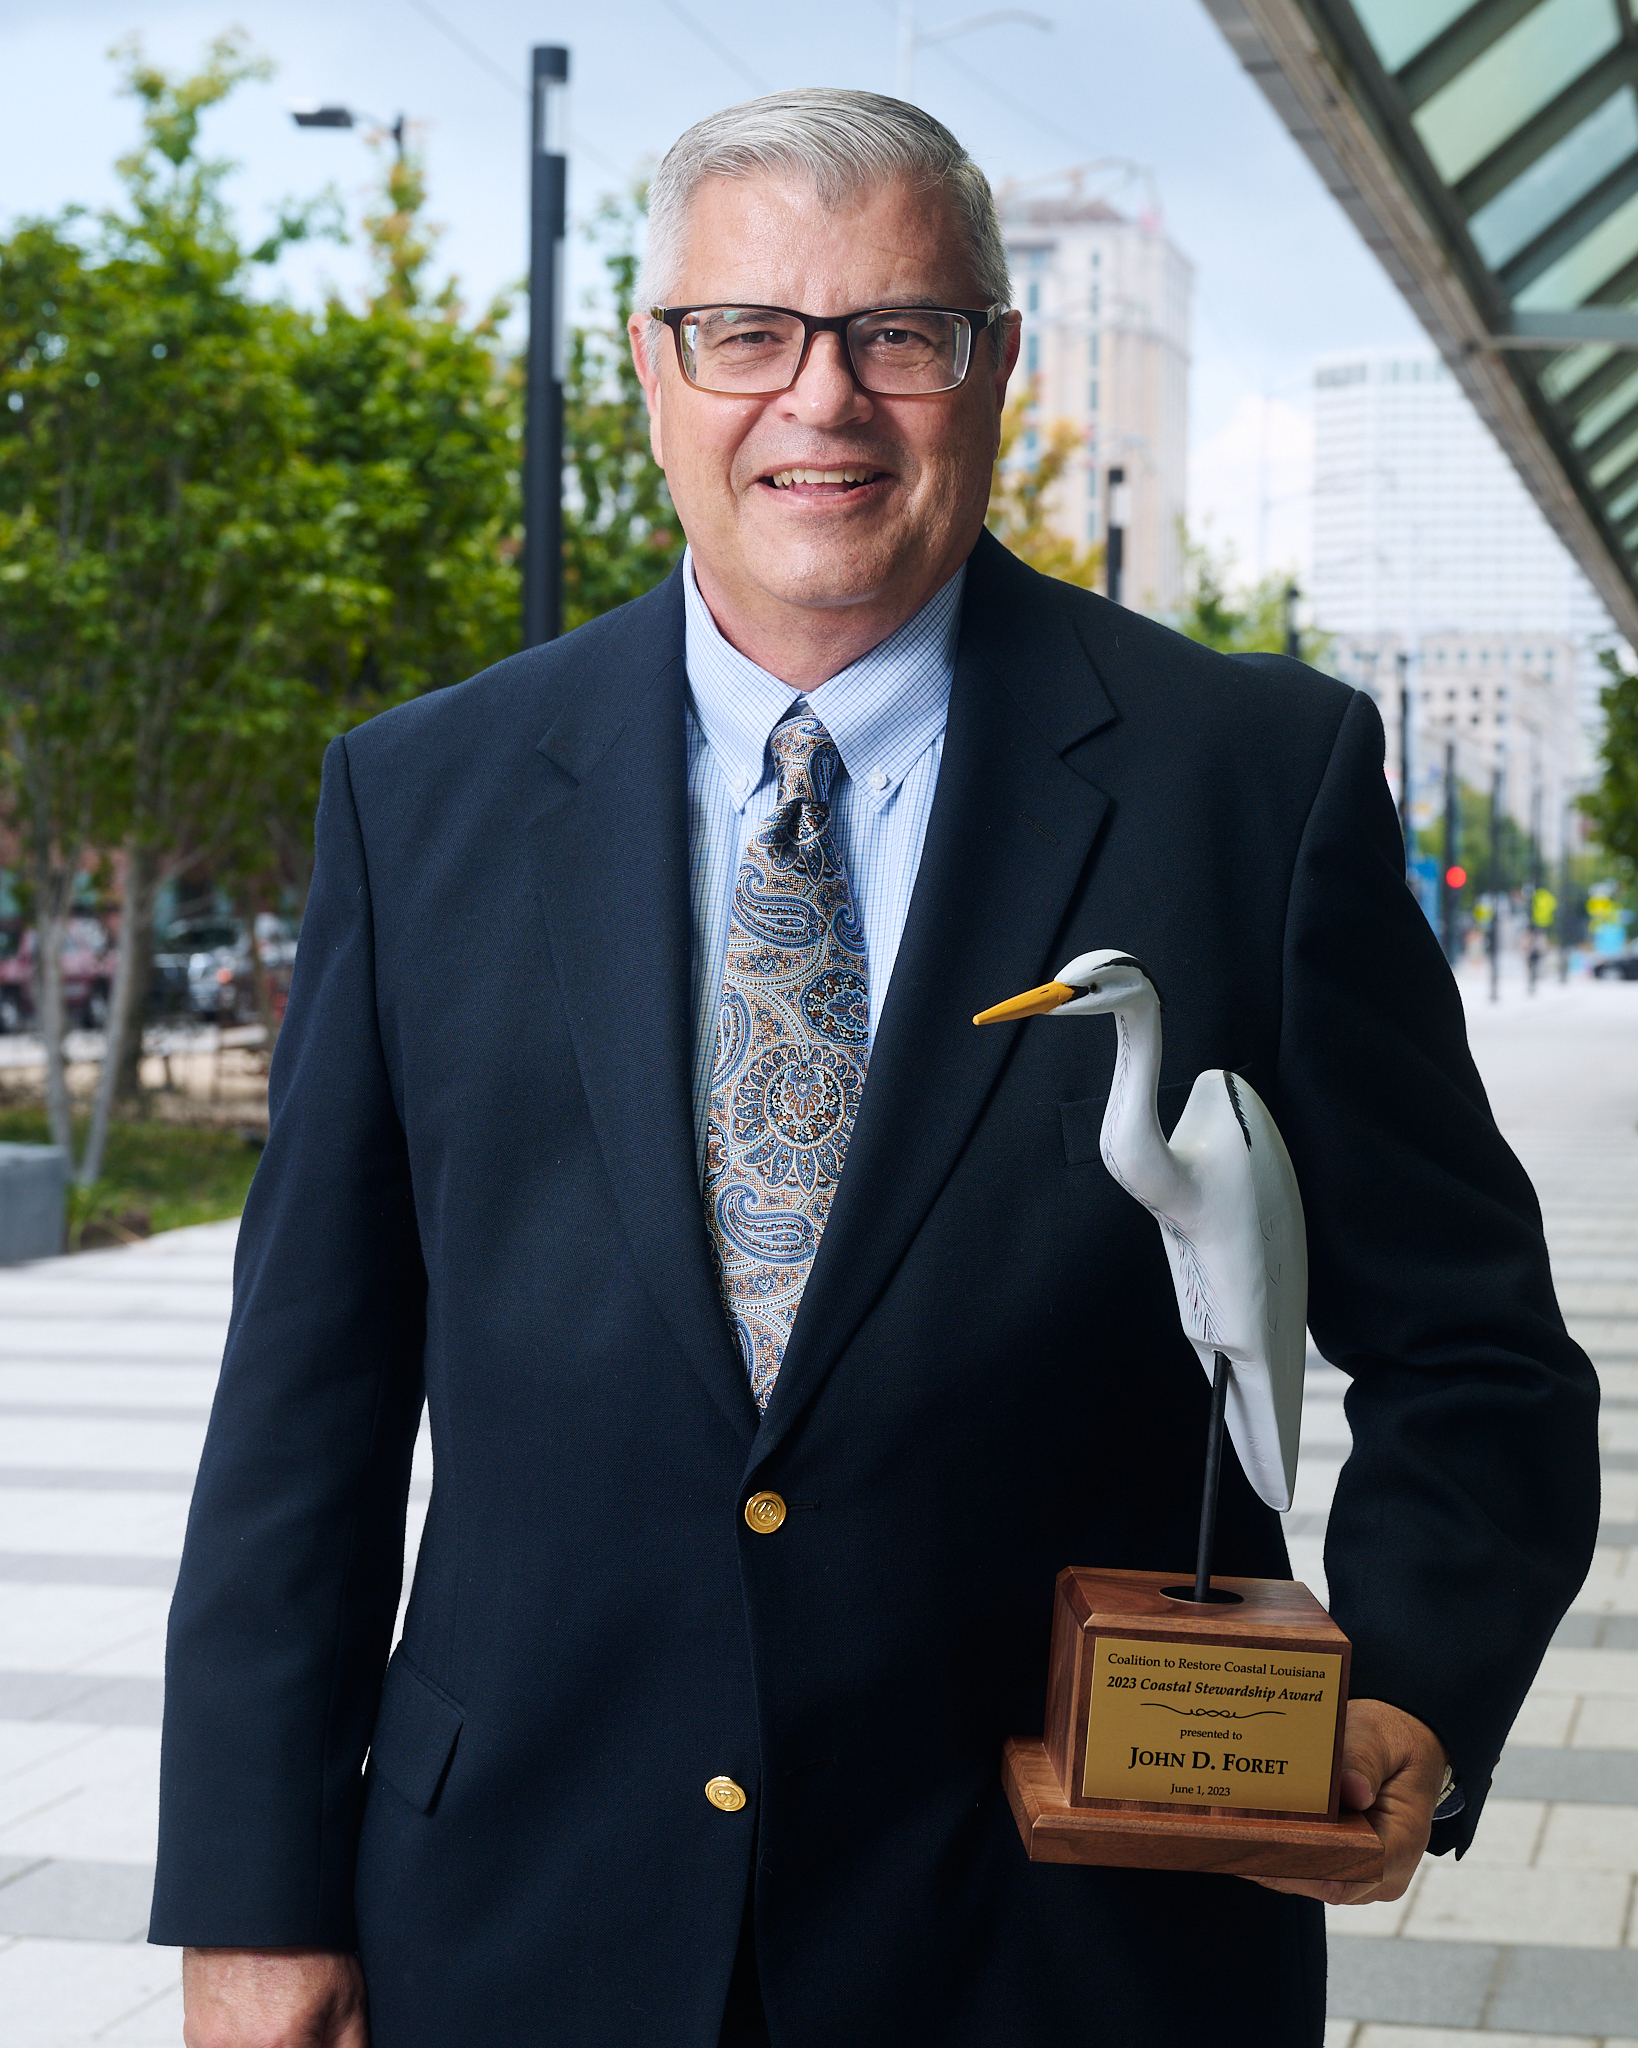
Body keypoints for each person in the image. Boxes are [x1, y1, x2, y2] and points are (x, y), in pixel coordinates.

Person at [153, 90, 1599, 2048]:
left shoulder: (1254, 786)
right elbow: (303, 1410)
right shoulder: (420, 800)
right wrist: (249, 1894)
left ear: (999, 367)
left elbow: (1479, 1352)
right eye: (747, 332)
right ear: (654, 371)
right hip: (522, 1921)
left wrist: (1413, 1684)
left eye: (897, 335)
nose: (819, 403)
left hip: (1075, 1952)